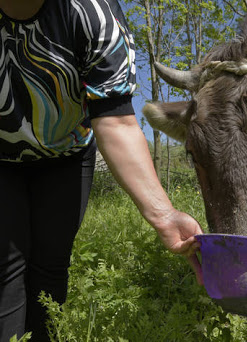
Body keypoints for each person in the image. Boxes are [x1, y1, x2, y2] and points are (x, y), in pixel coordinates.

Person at [0, 0, 203, 340]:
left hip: (66, 153)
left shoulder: (92, 14)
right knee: (4, 268)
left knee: (50, 264)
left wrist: (164, 214)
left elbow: (118, 122)